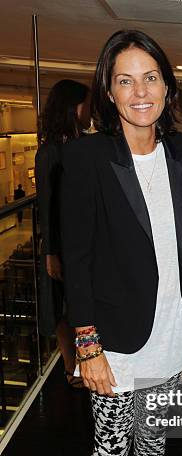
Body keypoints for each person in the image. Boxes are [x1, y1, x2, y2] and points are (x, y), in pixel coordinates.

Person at [60, 30, 182, 456]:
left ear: (166, 85)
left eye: (150, 77)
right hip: (115, 341)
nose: (140, 91)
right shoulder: (88, 157)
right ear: (109, 93)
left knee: (155, 437)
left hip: (172, 330)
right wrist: (87, 346)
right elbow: (78, 257)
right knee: (110, 448)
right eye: (125, 80)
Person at [35, 79, 90, 387]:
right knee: (63, 307)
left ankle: (82, 363)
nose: (90, 110)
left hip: (81, 241)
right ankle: (72, 368)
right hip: (60, 245)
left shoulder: (81, 144)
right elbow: (47, 207)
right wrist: (51, 252)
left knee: (77, 303)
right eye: (86, 103)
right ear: (73, 107)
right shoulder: (50, 152)